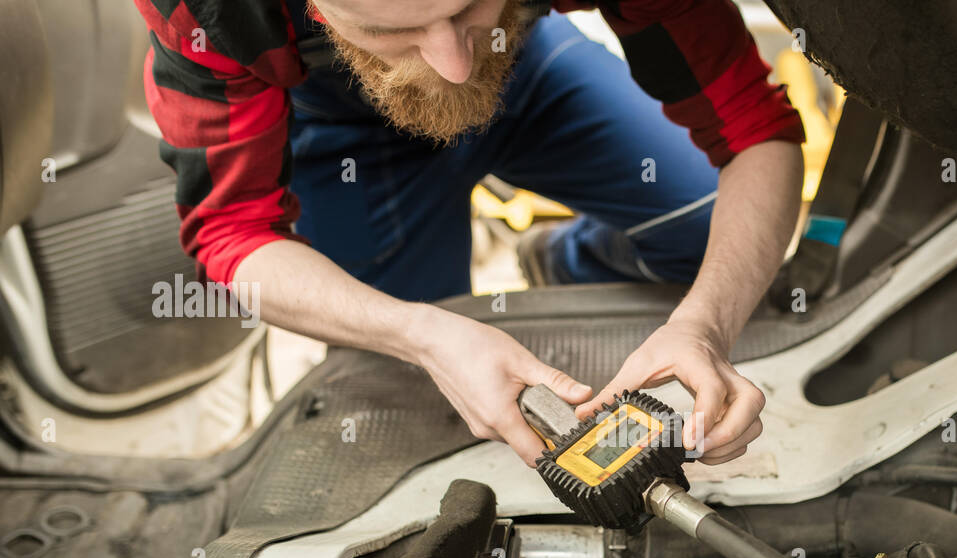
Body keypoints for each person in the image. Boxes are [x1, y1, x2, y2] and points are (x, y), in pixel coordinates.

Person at [133, 0, 805, 464]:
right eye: (390, 29)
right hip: (349, 144)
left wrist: (705, 330)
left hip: (524, 70)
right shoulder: (209, 11)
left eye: (467, 7)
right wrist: (418, 334)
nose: (452, 64)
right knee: (421, 404)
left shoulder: (476, 51)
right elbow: (230, 234)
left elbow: (755, 130)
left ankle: (561, 262)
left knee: (710, 234)